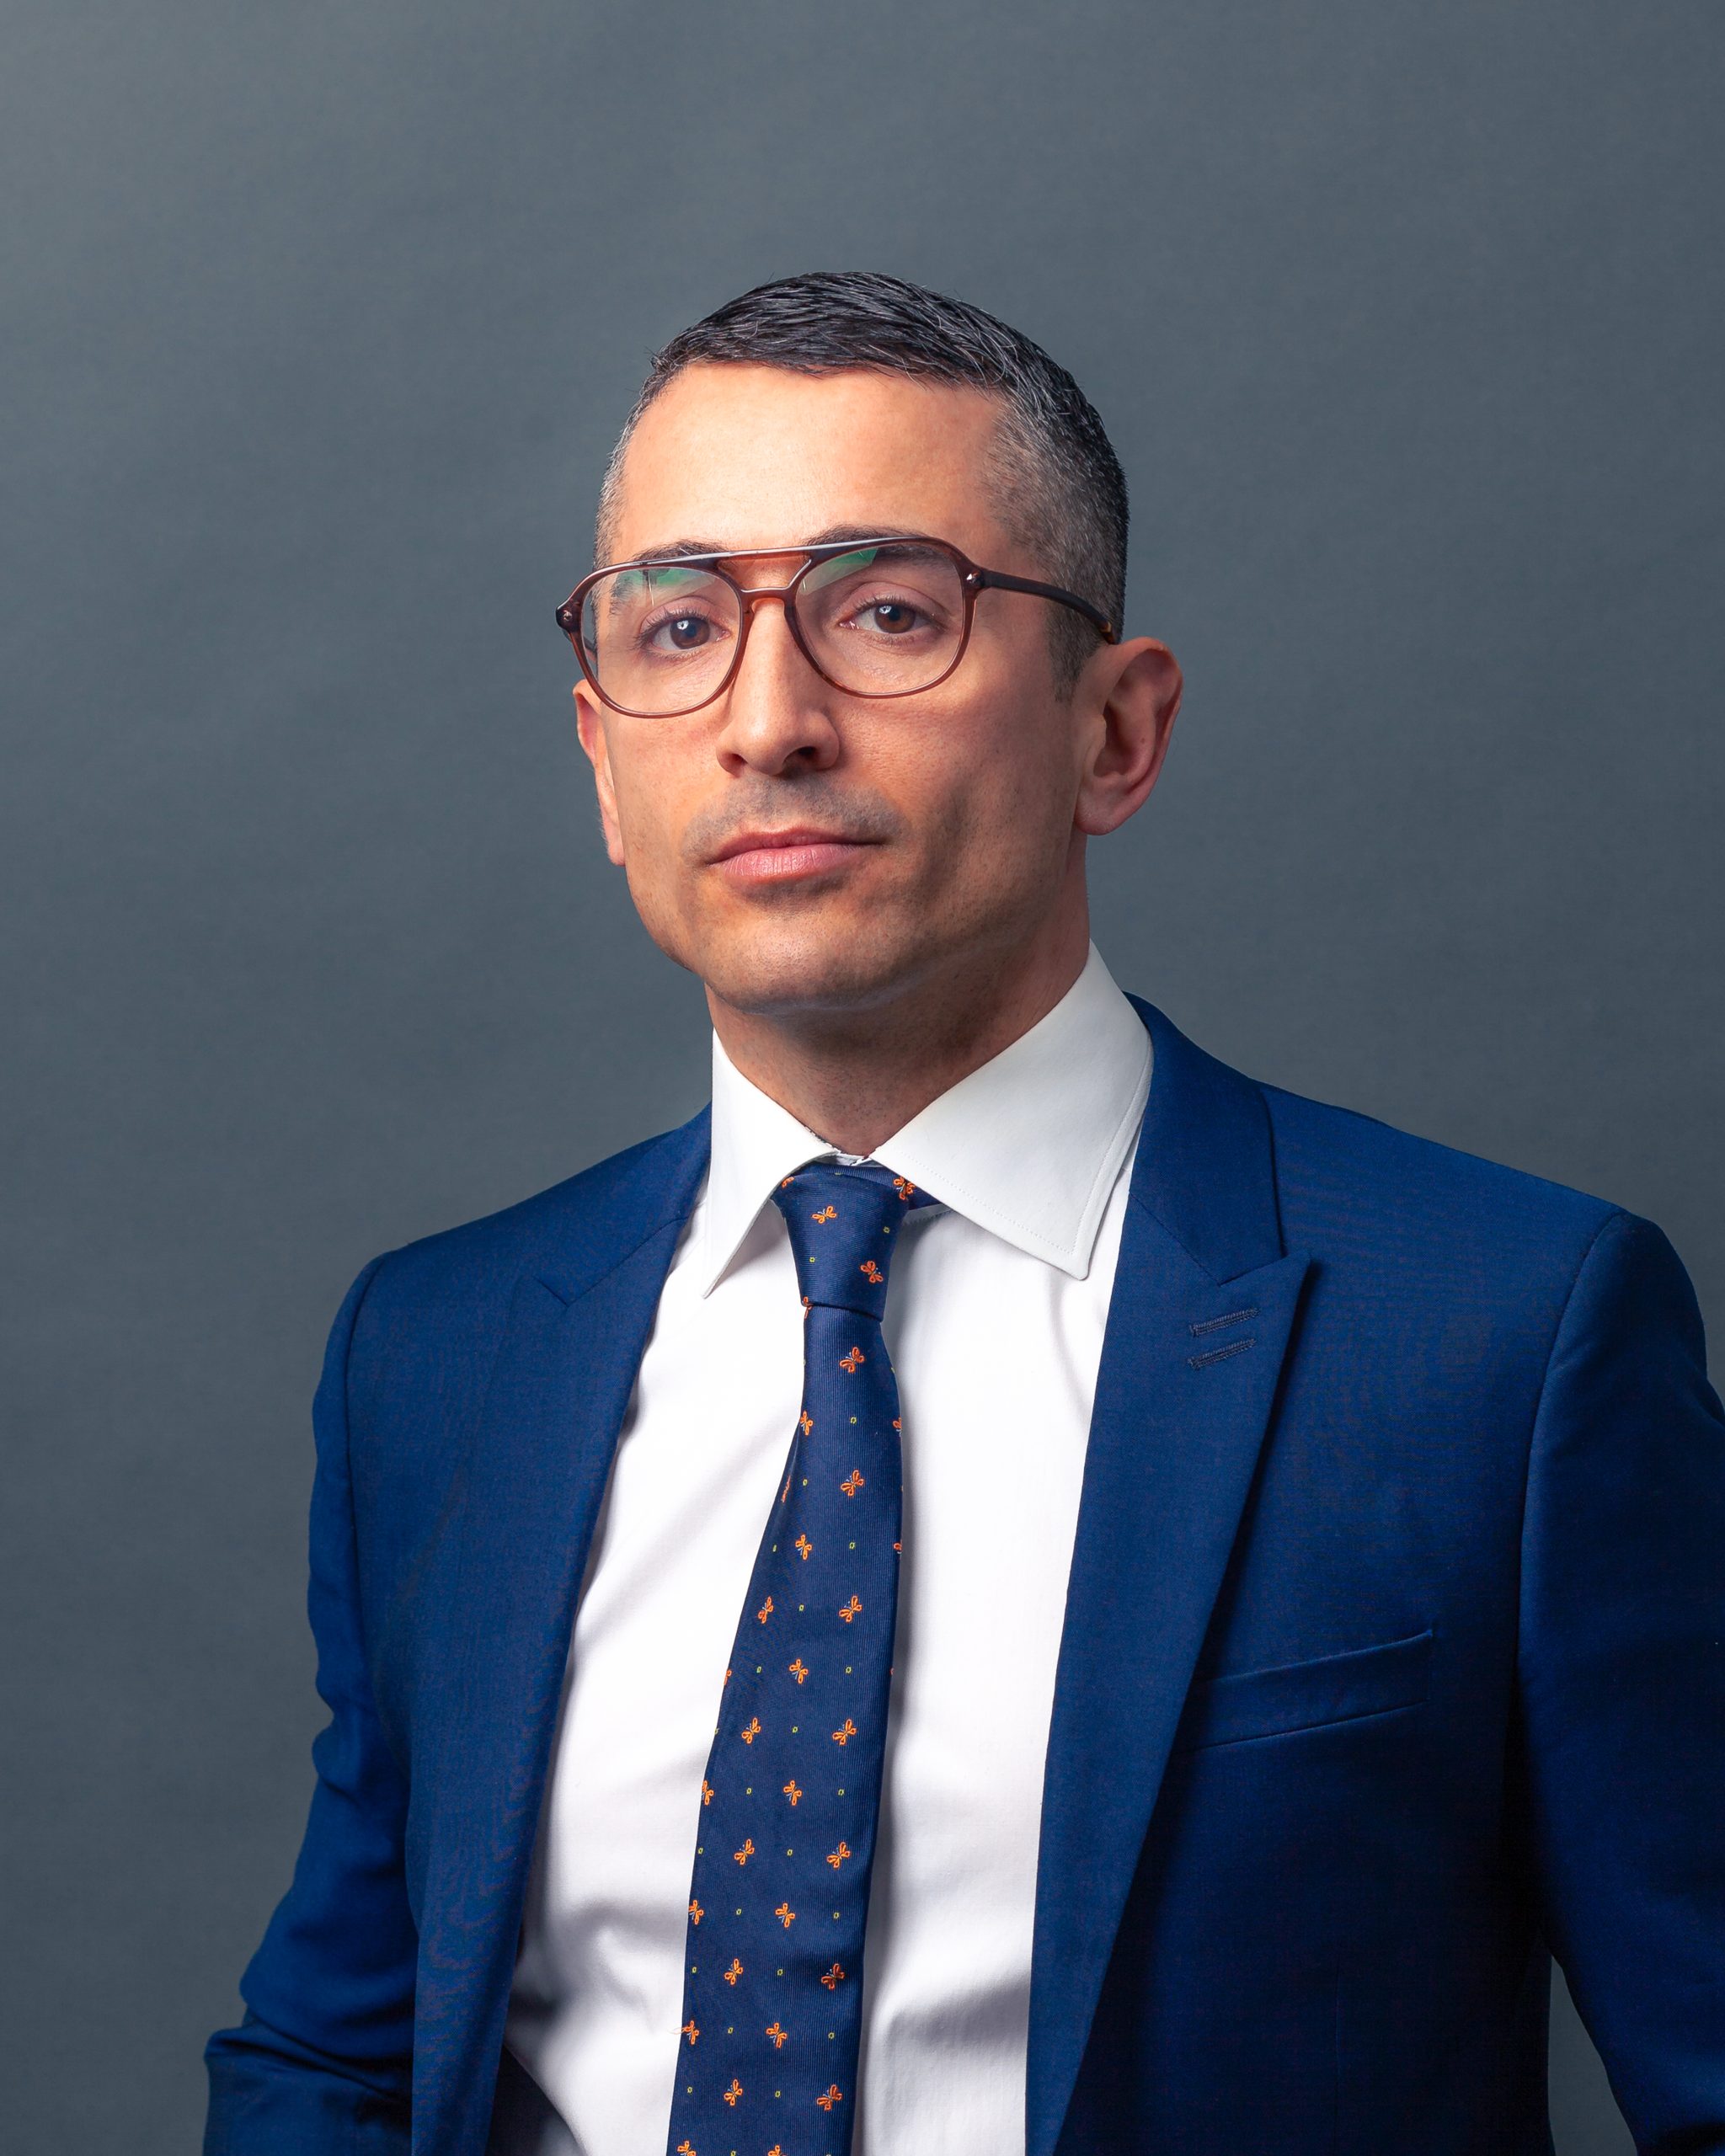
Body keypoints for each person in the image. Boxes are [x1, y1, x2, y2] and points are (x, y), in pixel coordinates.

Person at [204, 271, 1723, 2156]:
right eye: (678, 627)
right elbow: (339, 2051)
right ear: (604, 758)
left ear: (1115, 731)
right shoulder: (436, 1348)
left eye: (888, 612)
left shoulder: (1508, 1334)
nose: (769, 719)